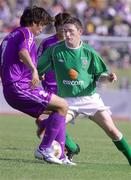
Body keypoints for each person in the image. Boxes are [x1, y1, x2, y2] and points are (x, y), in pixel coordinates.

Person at [37, 17, 131, 165]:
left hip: (90, 99)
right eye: (65, 31)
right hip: (66, 101)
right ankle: (64, 150)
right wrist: (37, 73)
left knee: (112, 131)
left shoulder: (89, 52)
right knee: (54, 126)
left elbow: (100, 74)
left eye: (71, 31)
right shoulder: (55, 50)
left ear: (80, 32)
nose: (67, 35)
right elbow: (38, 68)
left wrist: (108, 77)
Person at [0, 6, 75, 165]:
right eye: (41, 25)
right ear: (34, 22)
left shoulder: (9, 36)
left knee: (60, 108)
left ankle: (60, 155)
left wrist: (33, 72)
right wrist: (33, 70)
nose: (42, 29)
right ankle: (44, 149)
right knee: (63, 105)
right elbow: (23, 52)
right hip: (19, 87)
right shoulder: (26, 33)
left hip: (13, 88)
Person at [36, 12, 80, 161]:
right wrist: (38, 73)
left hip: (66, 86)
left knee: (59, 117)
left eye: (66, 29)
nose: (63, 32)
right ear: (55, 28)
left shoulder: (72, 43)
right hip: (49, 85)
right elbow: (38, 60)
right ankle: (65, 152)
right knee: (59, 116)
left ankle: (45, 126)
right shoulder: (47, 43)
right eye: (60, 28)